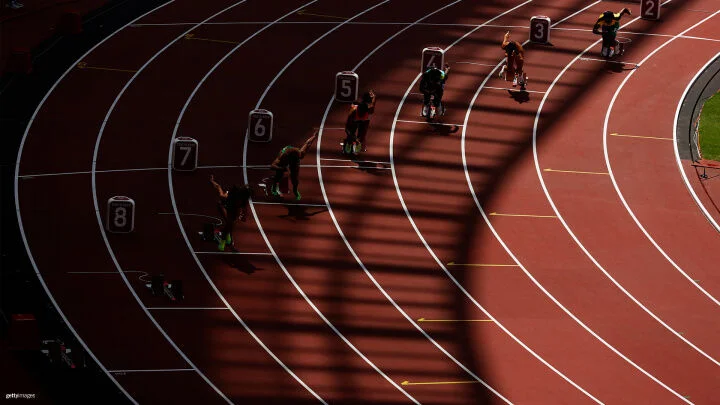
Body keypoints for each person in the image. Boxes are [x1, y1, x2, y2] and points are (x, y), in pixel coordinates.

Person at [270, 130, 318, 200]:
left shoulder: (299, 154)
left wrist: (314, 137)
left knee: (294, 178)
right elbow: (272, 166)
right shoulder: (282, 156)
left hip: (293, 160)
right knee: (279, 175)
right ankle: (274, 187)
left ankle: (295, 190)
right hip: (284, 161)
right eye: (298, 158)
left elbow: (307, 144)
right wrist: (281, 169)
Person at [210, 175, 253, 251]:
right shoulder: (234, 193)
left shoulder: (244, 198)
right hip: (223, 206)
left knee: (231, 224)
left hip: (233, 209)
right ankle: (223, 242)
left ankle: (228, 236)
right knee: (229, 223)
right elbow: (221, 195)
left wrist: (244, 215)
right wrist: (214, 183)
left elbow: (245, 207)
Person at [344, 90, 376, 154]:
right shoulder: (353, 111)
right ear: (358, 109)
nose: (362, 113)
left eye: (363, 113)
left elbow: (372, 105)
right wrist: (353, 137)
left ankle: (359, 144)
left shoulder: (368, 110)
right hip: (353, 121)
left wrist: (374, 97)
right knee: (350, 135)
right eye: (361, 112)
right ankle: (349, 143)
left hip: (363, 122)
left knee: (362, 136)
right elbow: (347, 127)